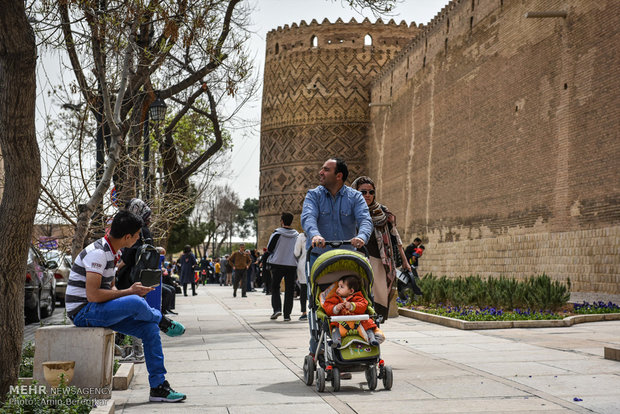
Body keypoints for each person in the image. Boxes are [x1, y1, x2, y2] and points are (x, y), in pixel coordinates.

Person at [65, 210, 186, 403]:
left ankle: (158, 387)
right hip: (83, 312)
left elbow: (110, 287)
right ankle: (162, 320)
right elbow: (93, 295)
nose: (139, 238)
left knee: (149, 329)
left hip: (99, 309)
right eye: (138, 234)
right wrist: (129, 293)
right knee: (135, 301)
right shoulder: (98, 253)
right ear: (127, 236)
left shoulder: (113, 252)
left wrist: (128, 294)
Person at [301, 157, 373, 355]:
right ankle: (317, 348)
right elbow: (308, 217)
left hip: (346, 261)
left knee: (351, 303)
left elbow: (365, 220)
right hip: (320, 259)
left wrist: (361, 236)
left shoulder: (355, 197)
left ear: (338, 175)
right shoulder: (314, 195)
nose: (320, 172)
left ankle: (350, 346)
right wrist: (314, 234)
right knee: (319, 304)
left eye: (326, 169)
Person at [351, 176, 411, 320]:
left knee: (379, 294)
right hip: (356, 258)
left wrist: (405, 261)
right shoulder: (350, 212)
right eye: (363, 192)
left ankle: (375, 325)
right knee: (358, 292)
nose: (368, 195)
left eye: (371, 192)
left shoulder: (383, 212)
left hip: (380, 259)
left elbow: (396, 238)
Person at [322, 275, 381, 347]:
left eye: (341, 287)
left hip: (358, 323)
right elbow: (327, 307)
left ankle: (372, 339)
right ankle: (336, 341)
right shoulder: (334, 299)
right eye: (338, 286)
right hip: (341, 324)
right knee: (334, 327)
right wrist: (335, 308)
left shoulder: (358, 298)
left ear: (351, 291)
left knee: (368, 324)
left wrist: (352, 306)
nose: (337, 289)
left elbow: (363, 305)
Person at [267, 212, 299, 321]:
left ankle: (277, 309)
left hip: (278, 263)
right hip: (292, 264)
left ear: (282, 221)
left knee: (275, 287)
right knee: (290, 290)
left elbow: (270, 249)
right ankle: (287, 315)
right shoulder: (297, 235)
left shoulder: (277, 234)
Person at [294, 232, 308, 320]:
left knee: (304, 289)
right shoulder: (321, 233)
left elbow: (296, 252)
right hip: (318, 263)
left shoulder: (301, 236)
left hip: (303, 265)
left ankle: (304, 312)